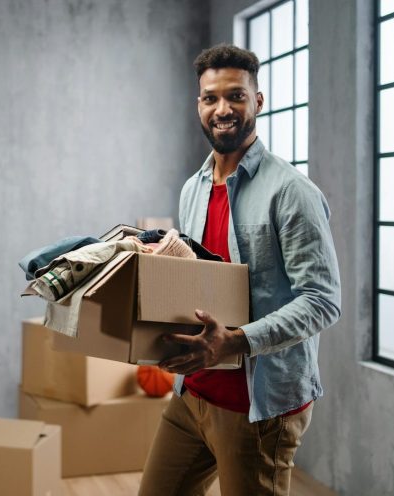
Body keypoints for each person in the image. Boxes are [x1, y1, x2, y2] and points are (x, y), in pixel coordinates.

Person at [138, 44, 341, 496]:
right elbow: (195, 277)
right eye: (210, 98)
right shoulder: (192, 188)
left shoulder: (292, 192)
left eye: (236, 96)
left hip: (257, 405)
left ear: (258, 101)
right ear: (199, 104)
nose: (222, 109)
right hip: (192, 393)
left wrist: (236, 341)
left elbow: (323, 301)